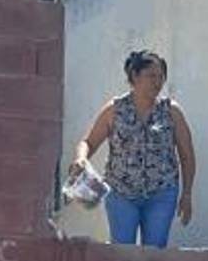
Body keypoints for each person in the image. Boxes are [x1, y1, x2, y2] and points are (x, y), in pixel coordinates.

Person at [69, 50, 197, 248]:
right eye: (151, 76)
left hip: (161, 193)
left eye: (161, 76)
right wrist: (81, 159)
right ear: (135, 77)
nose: (157, 82)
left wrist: (187, 194)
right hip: (121, 192)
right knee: (122, 252)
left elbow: (187, 155)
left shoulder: (171, 111)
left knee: (154, 253)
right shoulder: (115, 109)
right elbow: (88, 142)